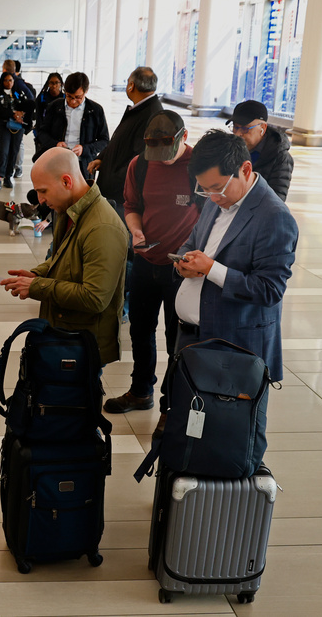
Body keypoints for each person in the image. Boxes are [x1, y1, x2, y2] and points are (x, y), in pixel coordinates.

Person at [171, 129, 298, 387]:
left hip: (235, 346)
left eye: (217, 188)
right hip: (194, 336)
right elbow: (192, 242)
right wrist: (183, 263)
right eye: (205, 189)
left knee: (232, 424)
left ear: (246, 169)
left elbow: (269, 290)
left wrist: (211, 269)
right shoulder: (215, 199)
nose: (213, 197)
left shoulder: (274, 217)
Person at [104, 111, 201, 415]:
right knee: (140, 330)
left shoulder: (198, 167)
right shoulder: (141, 164)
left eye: (167, 152)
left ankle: (171, 406)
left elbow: (212, 216)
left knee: (177, 338)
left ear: (183, 137)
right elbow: (132, 206)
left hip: (181, 270)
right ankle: (141, 391)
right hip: (146, 262)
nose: (162, 159)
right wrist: (135, 230)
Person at [0, 147, 129, 366]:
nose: (40, 200)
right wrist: (35, 274)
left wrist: (37, 287)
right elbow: (64, 257)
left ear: (66, 182)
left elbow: (95, 298)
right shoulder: (69, 210)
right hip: (65, 335)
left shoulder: (102, 227)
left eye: (43, 191)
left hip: (83, 347)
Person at [87, 67, 162, 217]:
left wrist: (114, 179)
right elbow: (120, 141)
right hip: (114, 189)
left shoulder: (152, 114)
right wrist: (102, 158)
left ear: (131, 86)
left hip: (121, 196)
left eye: (128, 82)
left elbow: (140, 157)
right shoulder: (139, 109)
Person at [33, 73, 110, 180]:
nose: (73, 101)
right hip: (58, 161)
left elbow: (104, 140)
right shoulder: (55, 107)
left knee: (82, 196)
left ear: (86, 91)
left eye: (78, 97)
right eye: (69, 96)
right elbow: (42, 133)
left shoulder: (95, 110)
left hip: (84, 165)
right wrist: (55, 144)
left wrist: (84, 149)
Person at [228, 100, 294, 202]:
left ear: (262, 128)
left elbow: (276, 201)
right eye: (235, 128)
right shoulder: (229, 149)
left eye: (245, 129)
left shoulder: (281, 158)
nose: (238, 134)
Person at [0, 72, 32, 191]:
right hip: (3, 126)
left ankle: (8, 176)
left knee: (14, 151)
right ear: (2, 81)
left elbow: (27, 105)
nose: (9, 83)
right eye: (6, 80)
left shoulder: (19, 94)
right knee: (3, 151)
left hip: (17, 127)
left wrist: (22, 113)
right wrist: (13, 114)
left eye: (11, 80)